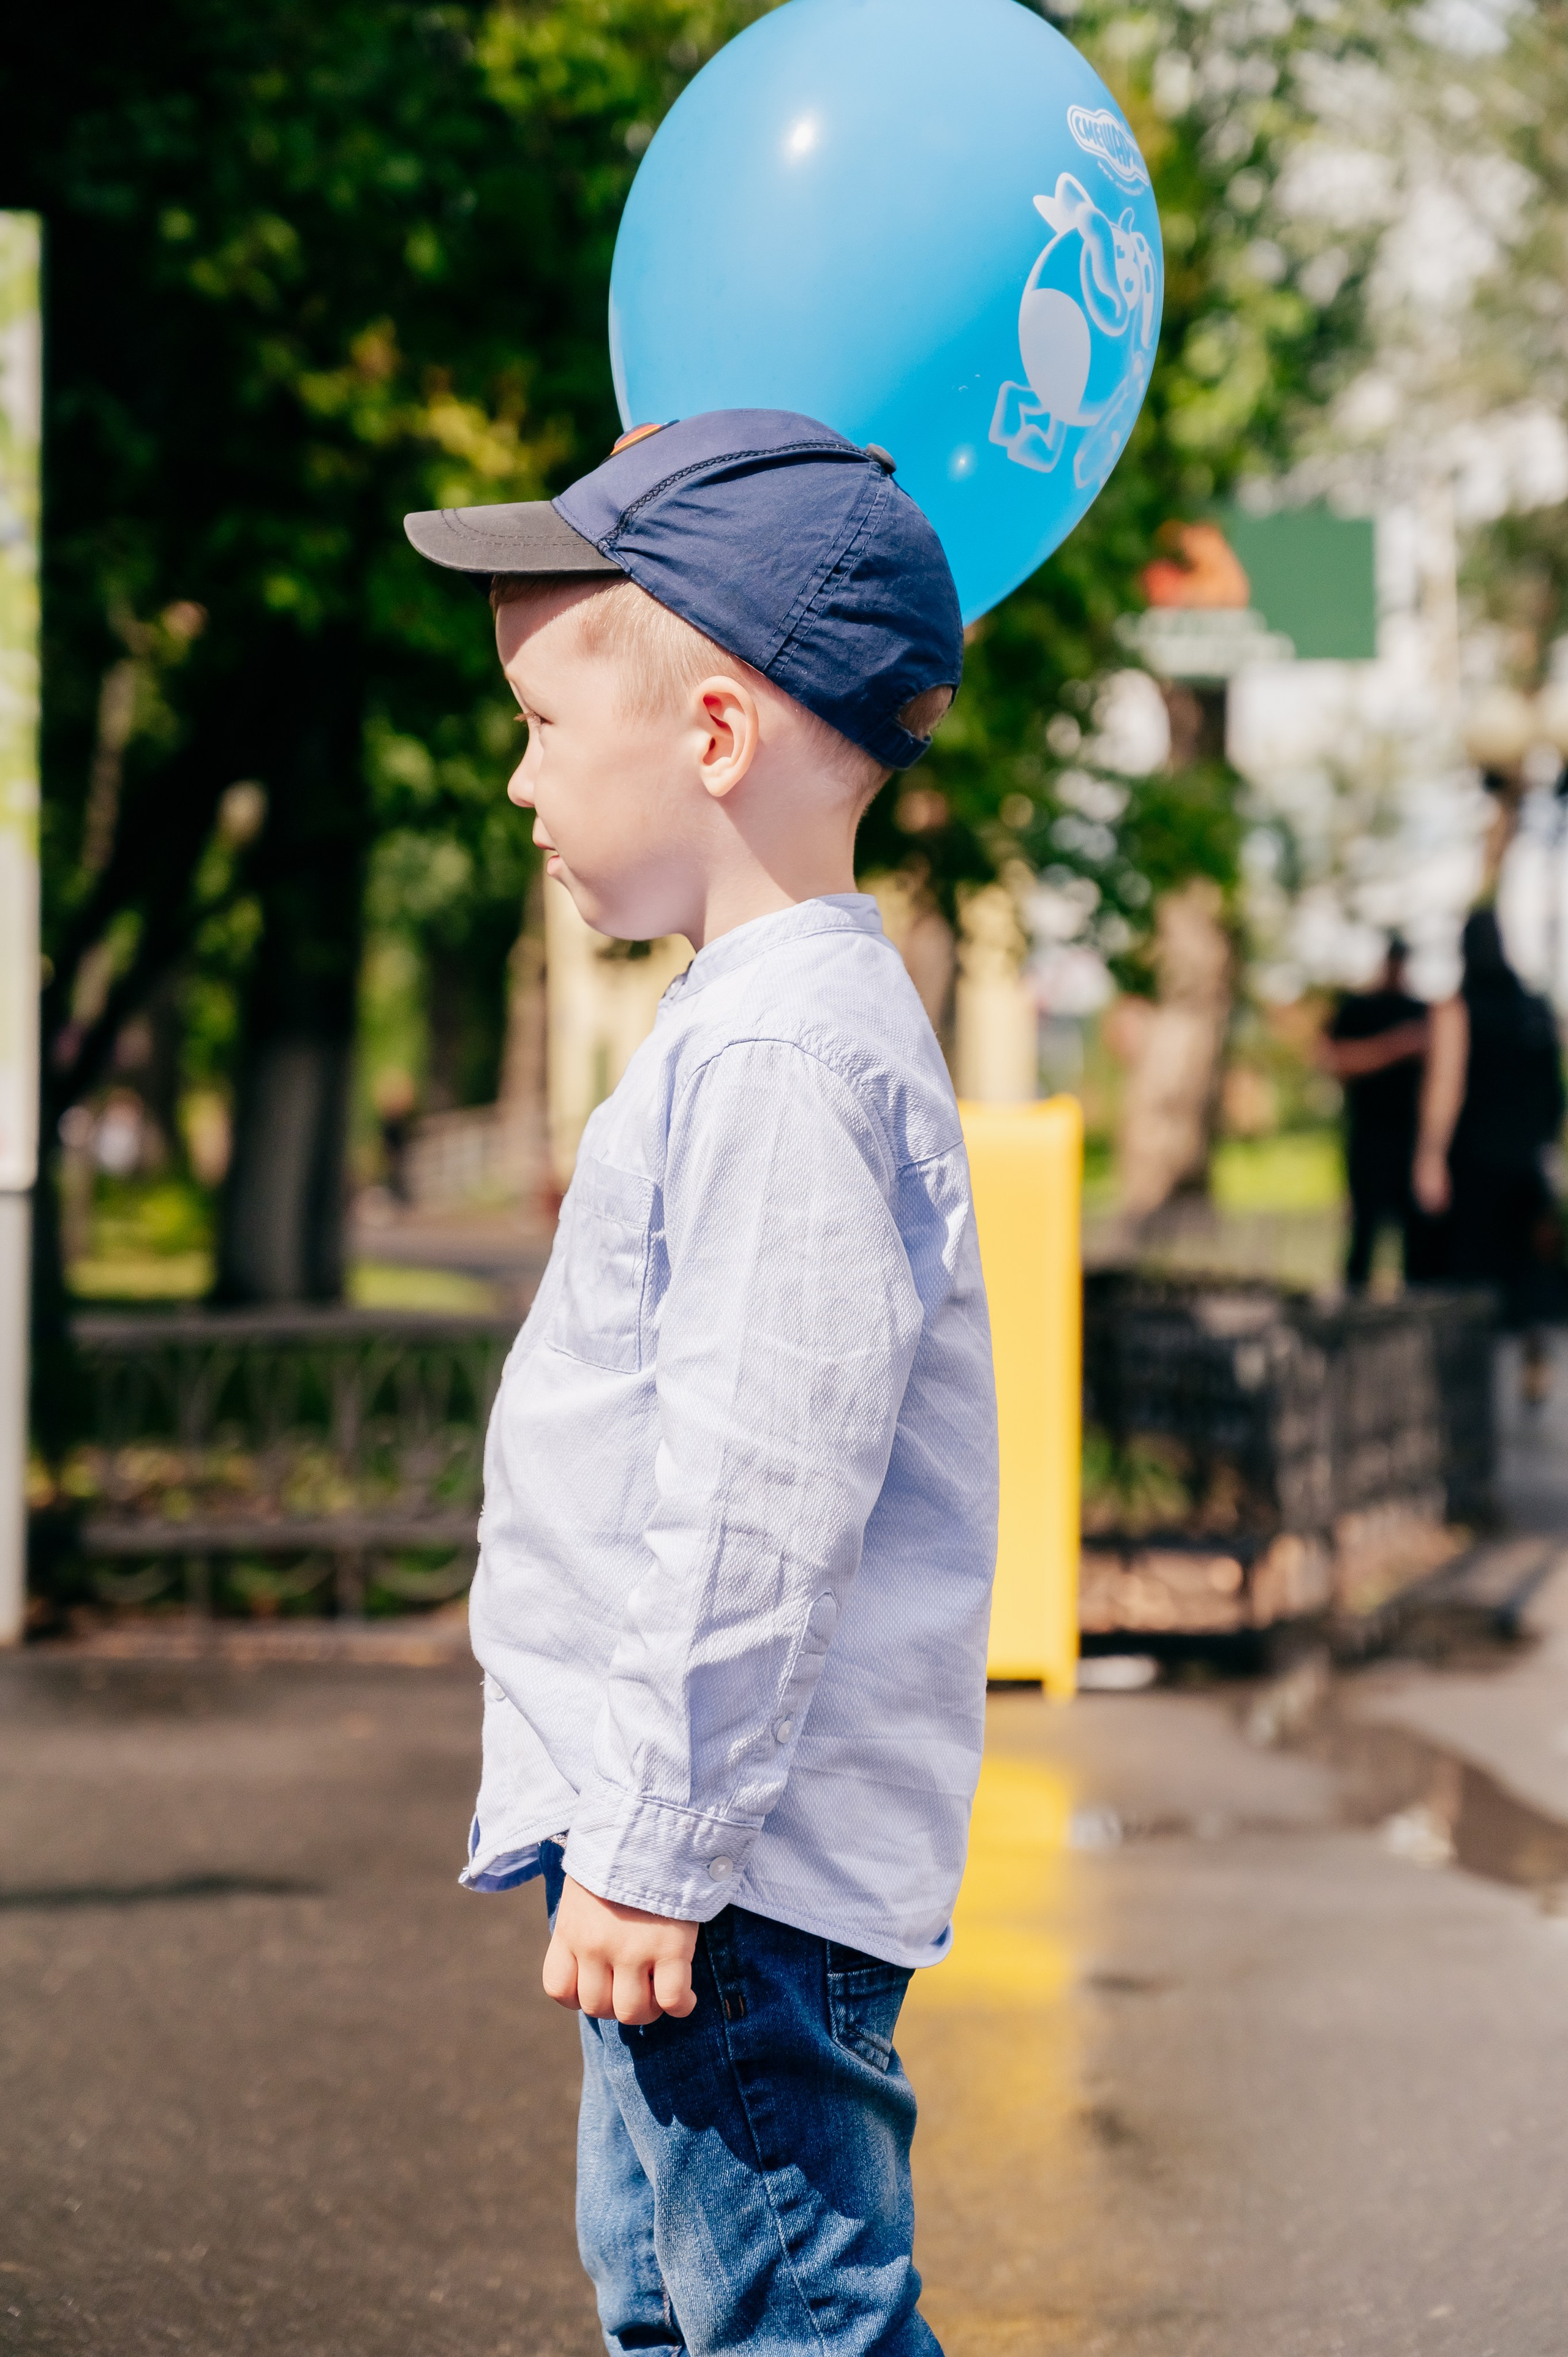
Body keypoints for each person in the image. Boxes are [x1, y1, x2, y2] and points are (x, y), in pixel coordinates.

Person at [404, 411, 996, 2357]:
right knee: (676, 2303)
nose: (516, 778)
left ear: (717, 735)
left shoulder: (782, 1061)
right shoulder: (756, 1021)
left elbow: (755, 1492)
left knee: (782, 2322)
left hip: (725, 1873)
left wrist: (651, 1851)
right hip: (691, 1849)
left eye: (547, 729)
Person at [1414, 908, 1566, 1395]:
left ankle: (1464, 1386)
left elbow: (1446, 1085)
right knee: (1527, 1268)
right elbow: (1554, 1092)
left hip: (1475, 1160)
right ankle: (1533, 1349)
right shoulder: (1537, 1008)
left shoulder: (1458, 1008)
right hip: (1527, 1159)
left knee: (1470, 1270)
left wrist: (1430, 1155)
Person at [1319, 936, 1430, 1290]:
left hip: (1412, 1139)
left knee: (1417, 1236)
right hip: (1368, 1136)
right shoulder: (1358, 1010)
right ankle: (1355, 1303)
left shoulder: (1420, 1010)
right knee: (1364, 1231)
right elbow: (1333, 1059)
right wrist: (1398, 1046)